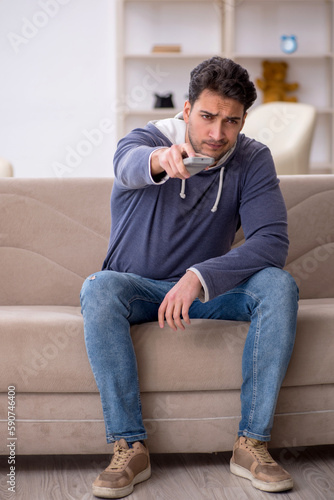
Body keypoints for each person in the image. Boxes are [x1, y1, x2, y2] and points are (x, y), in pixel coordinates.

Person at [80, 56, 299, 498]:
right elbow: (129, 164)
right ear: (185, 109)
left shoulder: (253, 158)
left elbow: (271, 242)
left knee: (279, 283)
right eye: (207, 116)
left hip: (205, 293)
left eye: (231, 121)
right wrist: (162, 159)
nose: (217, 133)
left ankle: (251, 443)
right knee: (98, 288)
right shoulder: (146, 140)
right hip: (137, 291)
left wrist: (199, 276)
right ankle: (129, 445)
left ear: (243, 120)